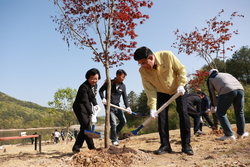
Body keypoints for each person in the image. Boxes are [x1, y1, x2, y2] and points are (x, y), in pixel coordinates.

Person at [133, 46, 194, 155]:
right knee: (162, 117)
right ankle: (165, 145)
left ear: (151, 58)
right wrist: (152, 108)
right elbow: (150, 90)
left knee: (183, 112)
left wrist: (181, 84)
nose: (142, 66)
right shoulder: (142, 71)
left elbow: (180, 69)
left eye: (143, 63)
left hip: (179, 89)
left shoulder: (167, 55)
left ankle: (186, 145)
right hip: (162, 92)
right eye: (140, 64)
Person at [207, 69, 249, 140]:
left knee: (220, 113)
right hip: (240, 89)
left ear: (210, 74)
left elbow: (212, 94)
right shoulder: (227, 74)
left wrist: (213, 106)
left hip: (227, 90)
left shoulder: (210, 78)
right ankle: (241, 133)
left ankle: (229, 135)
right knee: (239, 112)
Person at [99, 69, 132, 146]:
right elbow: (100, 91)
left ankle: (113, 134)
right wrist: (103, 98)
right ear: (117, 75)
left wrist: (128, 107)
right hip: (109, 106)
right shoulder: (109, 82)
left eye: (124, 77)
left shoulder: (123, 86)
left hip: (117, 106)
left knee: (123, 121)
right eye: (122, 76)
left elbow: (125, 97)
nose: (123, 78)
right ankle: (114, 140)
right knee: (113, 123)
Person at [72, 68, 101, 152]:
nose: (94, 80)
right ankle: (91, 147)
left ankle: (77, 147)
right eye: (92, 78)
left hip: (87, 107)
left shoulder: (95, 85)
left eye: (96, 78)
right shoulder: (83, 87)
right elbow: (85, 101)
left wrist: (95, 104)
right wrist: (91, 113)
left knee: (85, 127)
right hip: (79, 107)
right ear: (88, 78)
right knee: (86, 126)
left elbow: (92, 97)